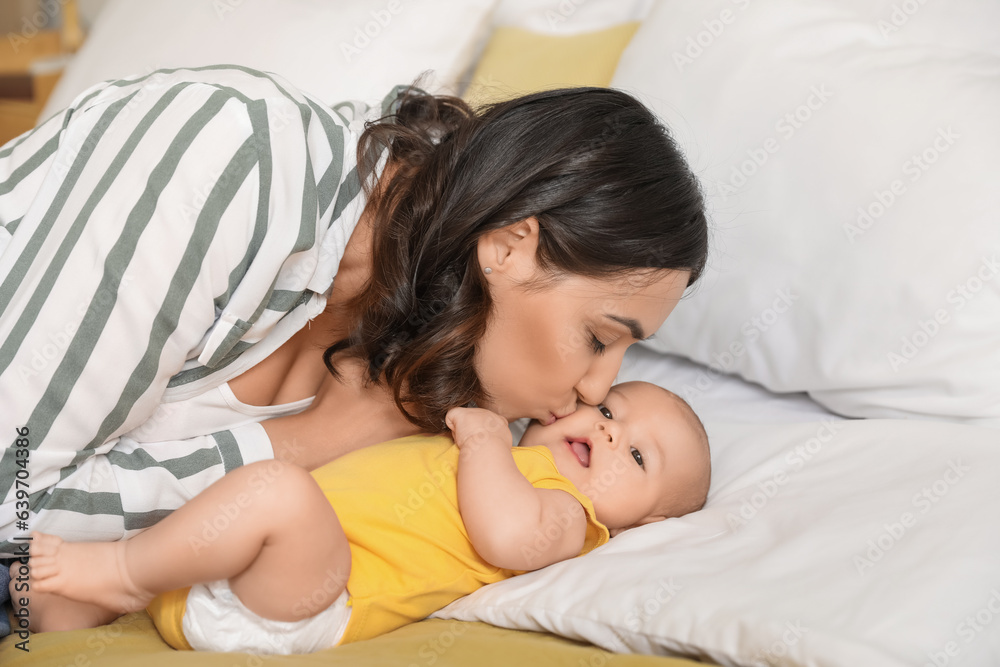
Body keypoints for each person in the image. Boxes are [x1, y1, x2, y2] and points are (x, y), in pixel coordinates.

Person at [0, 65, 708, 558]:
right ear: (510, 245)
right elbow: (11, 498)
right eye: (598, 338)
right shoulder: (234, 161)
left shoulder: (460, 387)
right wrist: (302, 446)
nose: (596, 389)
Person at [21, 381, 711, 653]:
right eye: (612, 409)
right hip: (245, 572)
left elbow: (507, 534)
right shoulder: (501, 449)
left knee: (281, 493)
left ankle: (116, 569)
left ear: (639, 526)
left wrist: (483, 439)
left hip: (312, 598)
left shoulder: (571, 514)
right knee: (54, 590)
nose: (613, 432)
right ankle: (61, 619)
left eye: (641, 457)